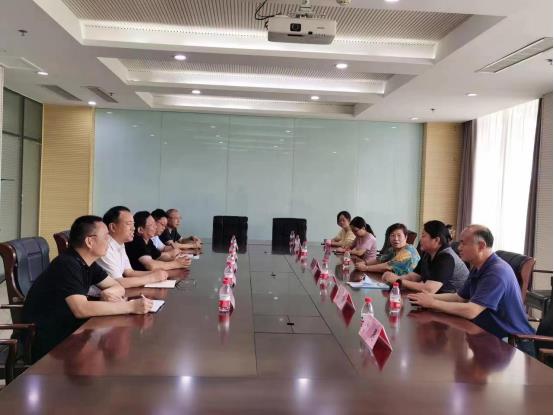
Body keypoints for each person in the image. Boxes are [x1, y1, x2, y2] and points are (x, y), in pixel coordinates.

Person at [23, 215, 154, 361]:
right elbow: (81, 309)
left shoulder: (88, 263)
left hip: (70, 330)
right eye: (106, 236)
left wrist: (108, 293)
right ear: (90, 241)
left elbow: (117, 285)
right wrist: (131, 307)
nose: (109, 240)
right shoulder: (67, 264)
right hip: (48, 341)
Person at [408, 225, 535, 340]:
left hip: (512, 341)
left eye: (463, 243)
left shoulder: (496, 272)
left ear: (481, 246)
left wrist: (433, 303)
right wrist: (429, 297)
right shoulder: (478, 266)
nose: (459, 248)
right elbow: (459, 298)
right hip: (486, 334)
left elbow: (472, 310)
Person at [382, 220, 468, 293]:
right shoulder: (427, 253)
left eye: (423, 236)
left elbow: (429, 289)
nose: (420, 240)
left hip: (453, 302)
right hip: (435, 298)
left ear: (436, 240)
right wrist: (395, 278)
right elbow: (414, 276)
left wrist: (398, 281)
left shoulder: (446, 257)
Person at [97, 206, 170, 288]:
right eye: (129, 224)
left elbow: (129, 272)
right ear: (113, 227)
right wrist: (152, 278)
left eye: (133, 224)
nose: (133, 228)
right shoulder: (104, 247)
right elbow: (118, 282)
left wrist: (155, 273)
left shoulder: (120, 243)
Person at [125, 211, 192, 271]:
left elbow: (159, 256)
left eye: (155, 224)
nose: (156, 227)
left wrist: (177, 260)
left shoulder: (148, 241)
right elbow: (151, 265)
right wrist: (176, 264)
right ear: (140, 230)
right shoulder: (137, 241)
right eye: (152, 225)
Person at [356, 223, 420, 275]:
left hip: (408, 283)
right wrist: (364, 263)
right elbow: (381, 259)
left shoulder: (408, 252)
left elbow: (387, 267)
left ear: (406, 237)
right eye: (392, 235)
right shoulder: (393, 249)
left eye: (399, 235)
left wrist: (366, 268)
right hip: (393, 278)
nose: (396, 239)